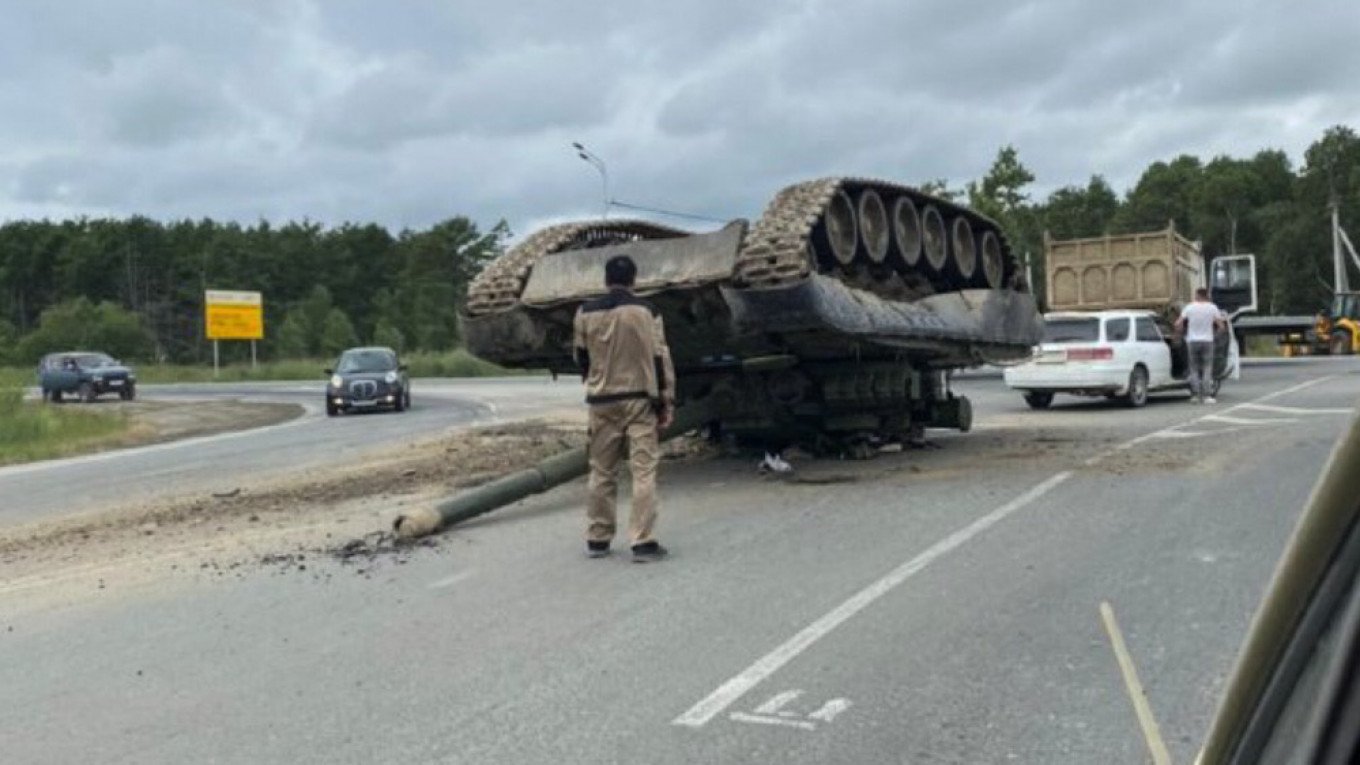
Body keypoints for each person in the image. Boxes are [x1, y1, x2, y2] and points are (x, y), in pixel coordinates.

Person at [573, 254, 676, 562]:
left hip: (601, 400)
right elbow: (660, 358)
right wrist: (666, 400)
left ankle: (598, 538)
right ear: (634, 280)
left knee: (601, 470)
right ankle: (642, 541)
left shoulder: (583, 312)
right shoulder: (647, 311)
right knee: (643, 470)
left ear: (606, 280)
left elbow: (580, 357)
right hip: (638, 399)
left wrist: (596, 379)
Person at [1175, 287, 1227, 404]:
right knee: (1207, 368)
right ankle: (1207, 395)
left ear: (1197, 295)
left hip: (1192, 341)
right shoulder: (1212, 308)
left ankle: (1195, 395)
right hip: (1208, 340)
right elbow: (1221, 326)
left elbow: (1178, 323)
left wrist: (1182, 334)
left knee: (1193, 368)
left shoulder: (1189, 307)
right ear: (1206, 295)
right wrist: (1215, 336)